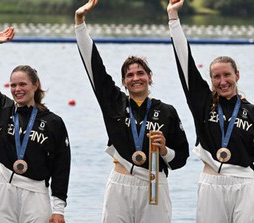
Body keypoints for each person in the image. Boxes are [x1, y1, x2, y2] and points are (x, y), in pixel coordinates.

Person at [167, 0, 254, 222]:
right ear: (210, 80)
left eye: (227, 75)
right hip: (212, 184)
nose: (222, 81)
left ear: (237, 75)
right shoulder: (202, 102)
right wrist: (173, 18)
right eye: (216, 77)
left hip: (245, 185)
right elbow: (185, 63)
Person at [75, 1, 190, 222]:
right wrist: (80, 22)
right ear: (124, 82)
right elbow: (94, 66)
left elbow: (180, 160)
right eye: (130, 75)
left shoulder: (167, 112)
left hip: (155, 182)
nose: (135, 78)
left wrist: (164, 150)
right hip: (121, 182)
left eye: (140, 73)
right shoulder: (114, 102)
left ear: (150, 77)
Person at [0, 27, 71, 223]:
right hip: (4, 189)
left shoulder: (53, 122)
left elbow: (61, 166)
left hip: (36, 193)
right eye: (13, 85)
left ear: (35, 85)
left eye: (22, 84)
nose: (17, 89)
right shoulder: (1, 109)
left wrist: (59, 209)